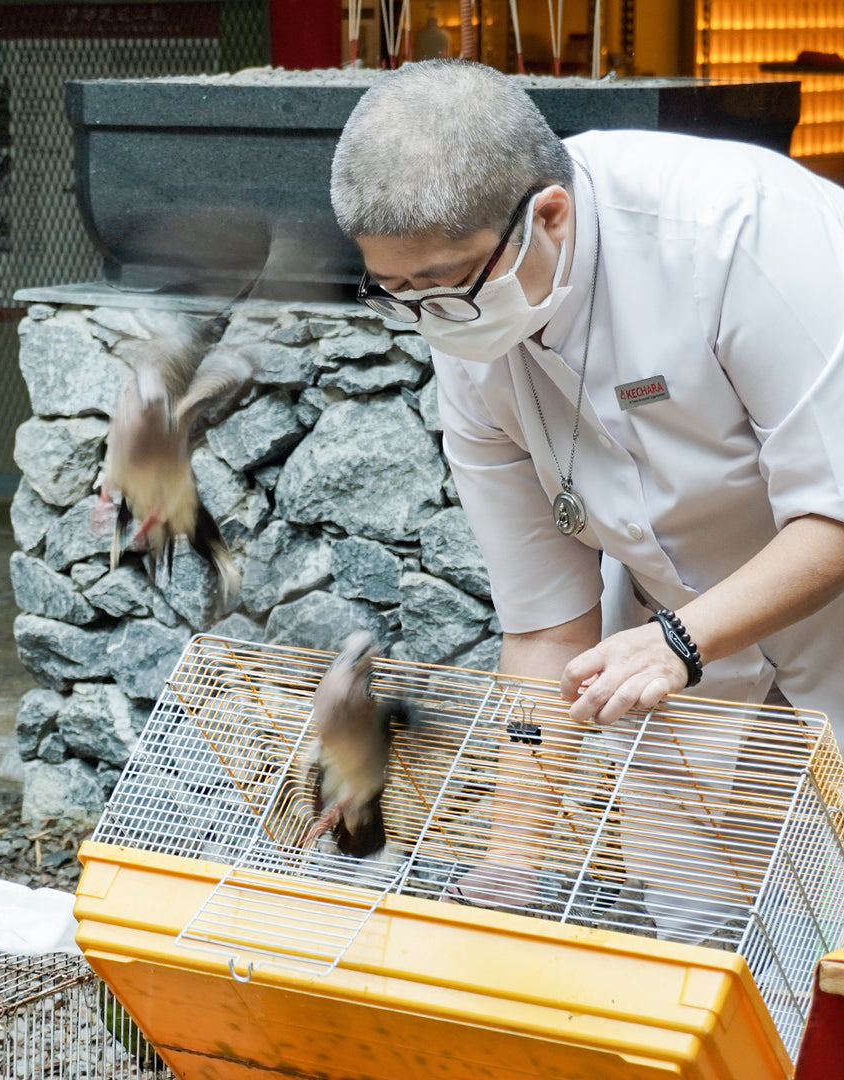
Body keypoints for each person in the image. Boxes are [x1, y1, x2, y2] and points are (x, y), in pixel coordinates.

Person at [329, 59, 844, 930]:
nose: (432, 319)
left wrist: (682, 640)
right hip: (680, 676)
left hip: (797, 622)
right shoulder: (465, 338)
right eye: (398, 291)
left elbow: (835, 511)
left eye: (450, 282)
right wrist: (510, 864)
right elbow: (544, 627)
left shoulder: (741, 233)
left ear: (551, 216)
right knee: (703, 960)